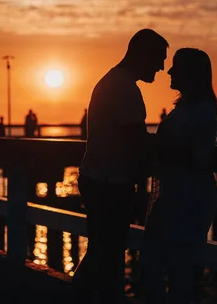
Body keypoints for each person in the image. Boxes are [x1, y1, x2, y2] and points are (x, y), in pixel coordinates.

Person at [73, 29, 169, 303]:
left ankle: (79, 293)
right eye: (159, 59)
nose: (162, 67)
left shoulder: (112, 81)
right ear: (142, 54)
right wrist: (172, 145)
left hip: (97, 177)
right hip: (109, 183)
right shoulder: (125, 88)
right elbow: (136, 140)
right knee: (110, 252)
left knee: (101, 249)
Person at [142, 48, 217, 304]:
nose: (170, 71)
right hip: (173, 193)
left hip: (190, 196)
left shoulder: (203, 109)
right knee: (154, 260)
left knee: (178, 269)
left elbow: (195, 154)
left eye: (177, 66)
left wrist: (156, 148)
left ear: (191, 73)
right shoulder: (186, 107)